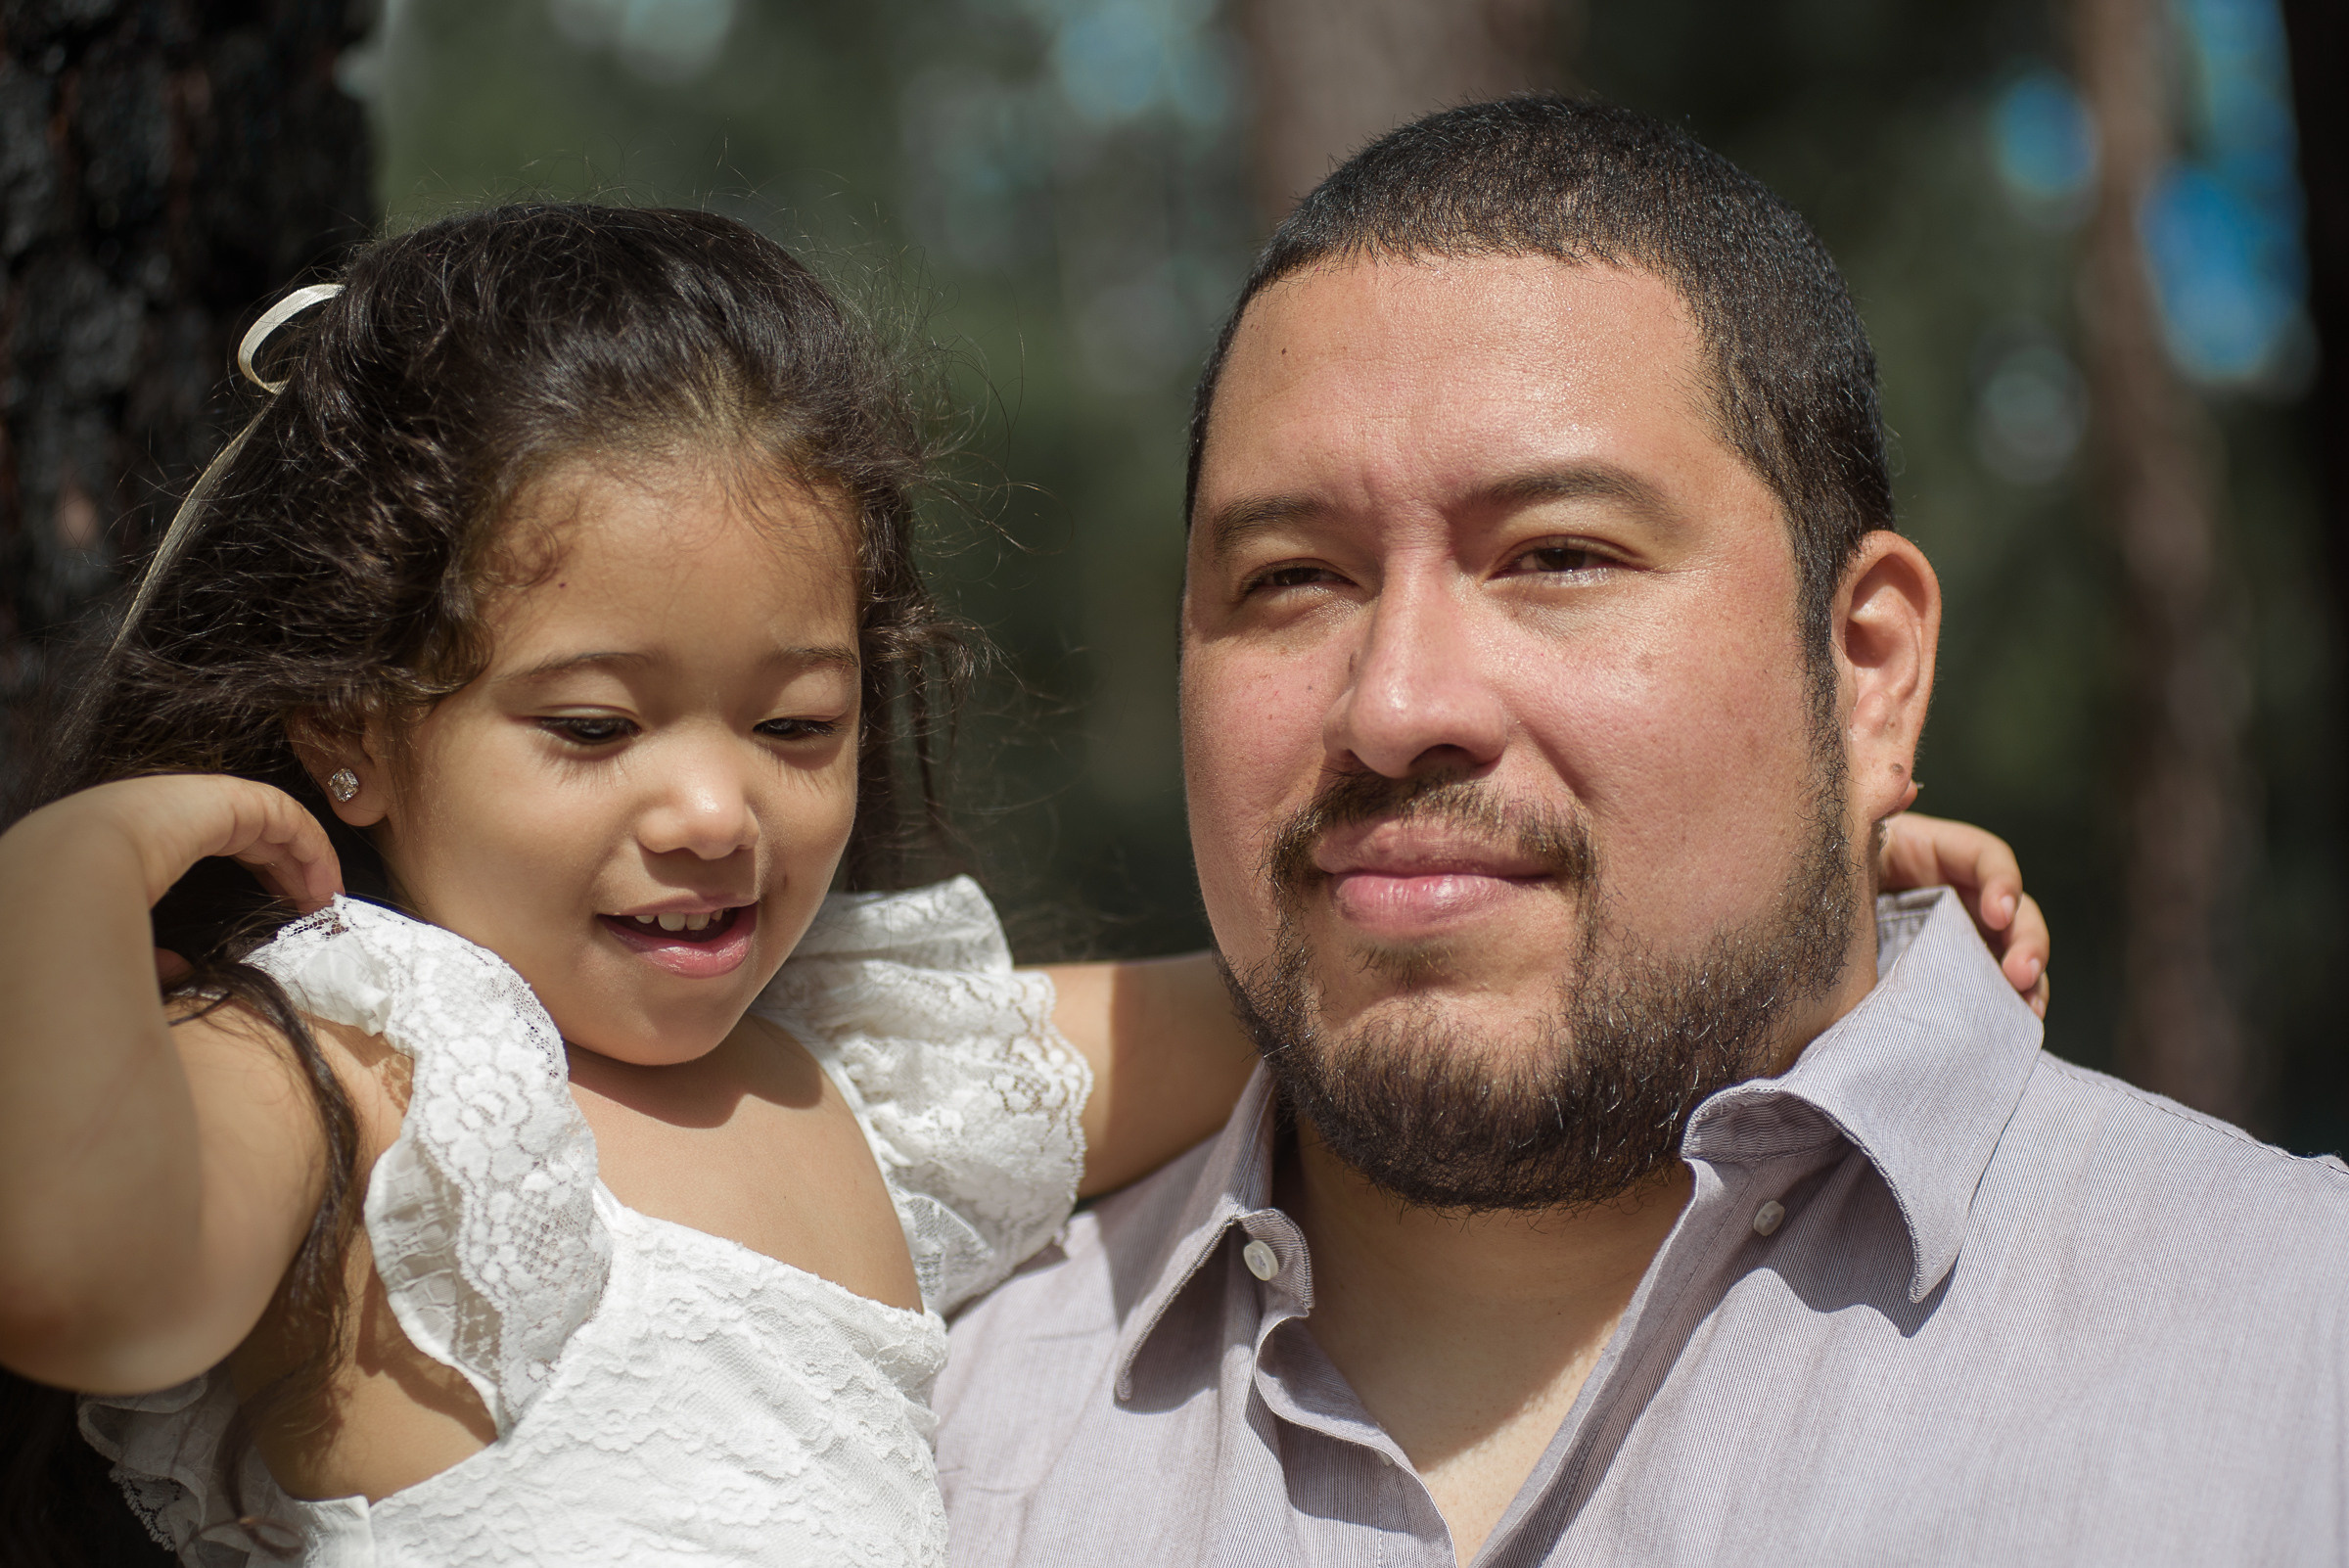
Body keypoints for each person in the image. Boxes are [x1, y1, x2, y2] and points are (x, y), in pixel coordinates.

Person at [0, 200, 2041, 1568]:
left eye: (794, 730)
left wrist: (1763, 882)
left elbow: (1332, 981)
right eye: (595, 728)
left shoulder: (868, 1085)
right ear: (358, 733)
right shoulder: (360, 1068)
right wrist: (67, 883)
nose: (712, 811)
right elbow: (75, 1277)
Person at [933, 96, 2349, 1566]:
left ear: (1865, 671)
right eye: (1293, 577)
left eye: (1557, 554)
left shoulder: (2298, 1357)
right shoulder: (927, 1431)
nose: (1396, 700)